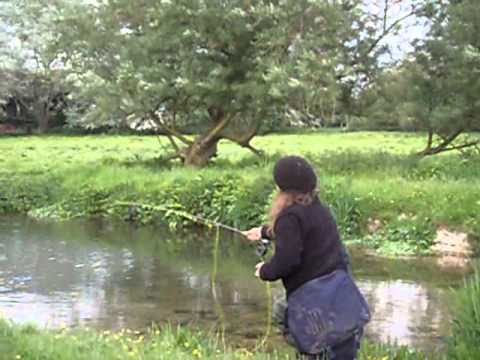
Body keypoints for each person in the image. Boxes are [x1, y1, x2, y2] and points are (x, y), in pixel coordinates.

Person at [243, 156, 370, 360]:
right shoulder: (319, 209)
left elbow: (287, 260)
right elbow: (301, 233)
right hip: (339, 293)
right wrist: (263, 232)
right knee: (340, 341)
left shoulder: (289, 217)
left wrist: (264, 270)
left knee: (283, 314)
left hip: (313, 296)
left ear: (281, 188)